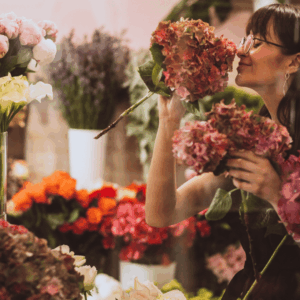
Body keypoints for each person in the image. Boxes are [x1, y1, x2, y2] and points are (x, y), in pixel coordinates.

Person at [145, 3, 300, 300]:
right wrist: (169, 121)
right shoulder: (248, 142)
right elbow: (161, 213)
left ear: (293, 63)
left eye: (258, 42)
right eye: (246, 39)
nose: (241, 51)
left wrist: (276, 193)